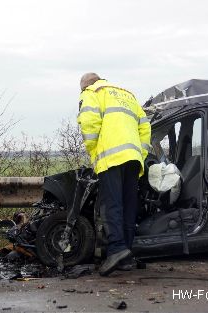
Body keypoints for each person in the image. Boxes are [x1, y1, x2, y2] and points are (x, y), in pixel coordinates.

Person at [77, 73, 151, 276]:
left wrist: (94, 152)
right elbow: (145, 128)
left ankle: (117, 249)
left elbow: (89, 125)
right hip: (133, 158)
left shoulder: (92, 93)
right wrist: (139, 153)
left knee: (112, 205)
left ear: (85, 86)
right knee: (128, 206)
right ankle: (126, 256)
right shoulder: (127, 95)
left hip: (110, 156)